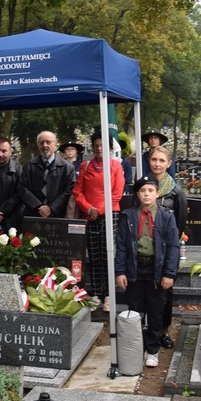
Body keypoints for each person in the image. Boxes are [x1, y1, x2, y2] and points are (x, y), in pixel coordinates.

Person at [115, 176, 181, 368]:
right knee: (135, 310)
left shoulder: (166, 215)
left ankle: (152, 350)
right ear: (137, 193)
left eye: (150, 190)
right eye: (143, 190)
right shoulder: (128, 215)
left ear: (157, 194)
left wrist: (169, 273)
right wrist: (120, 271)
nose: (146, 194)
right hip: (135, 268)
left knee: (155, 310)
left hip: (157, 269)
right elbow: (121, 246)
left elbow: (173, 246)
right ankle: (136, 347)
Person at [73, 132, 125, 312]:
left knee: (107, 254)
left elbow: (117, 192)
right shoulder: (85, 166)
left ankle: (109, 294)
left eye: (102, 145)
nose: (99, 148)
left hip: (110, 214)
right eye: (96, 145)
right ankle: (95, 292)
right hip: (89, 215)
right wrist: (88, 209)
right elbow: (78, 191)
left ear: (110, 148)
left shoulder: (116, 166)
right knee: (93, 256)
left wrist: (100, 210)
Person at [148, 145, 188, 349]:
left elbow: (180, 222)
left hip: (166, 249)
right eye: (154, 159)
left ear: (168, 164)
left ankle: (164, 330)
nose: (157, 164)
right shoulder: (143, 186)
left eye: (161, 160)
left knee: (165, 292)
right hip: (145, 248)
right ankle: (148, 330)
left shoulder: (175, 191)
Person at [20, 131, 76, 219]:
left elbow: (69, 191)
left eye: (48, 142)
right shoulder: (28, 166)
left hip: (58, 216)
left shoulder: (67, 168)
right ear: (38, 145)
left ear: (56, 144)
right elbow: (22, 188)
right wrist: (38, 206)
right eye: (41, 143)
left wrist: (52, 208)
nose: (45, 145)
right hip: (33, 214)